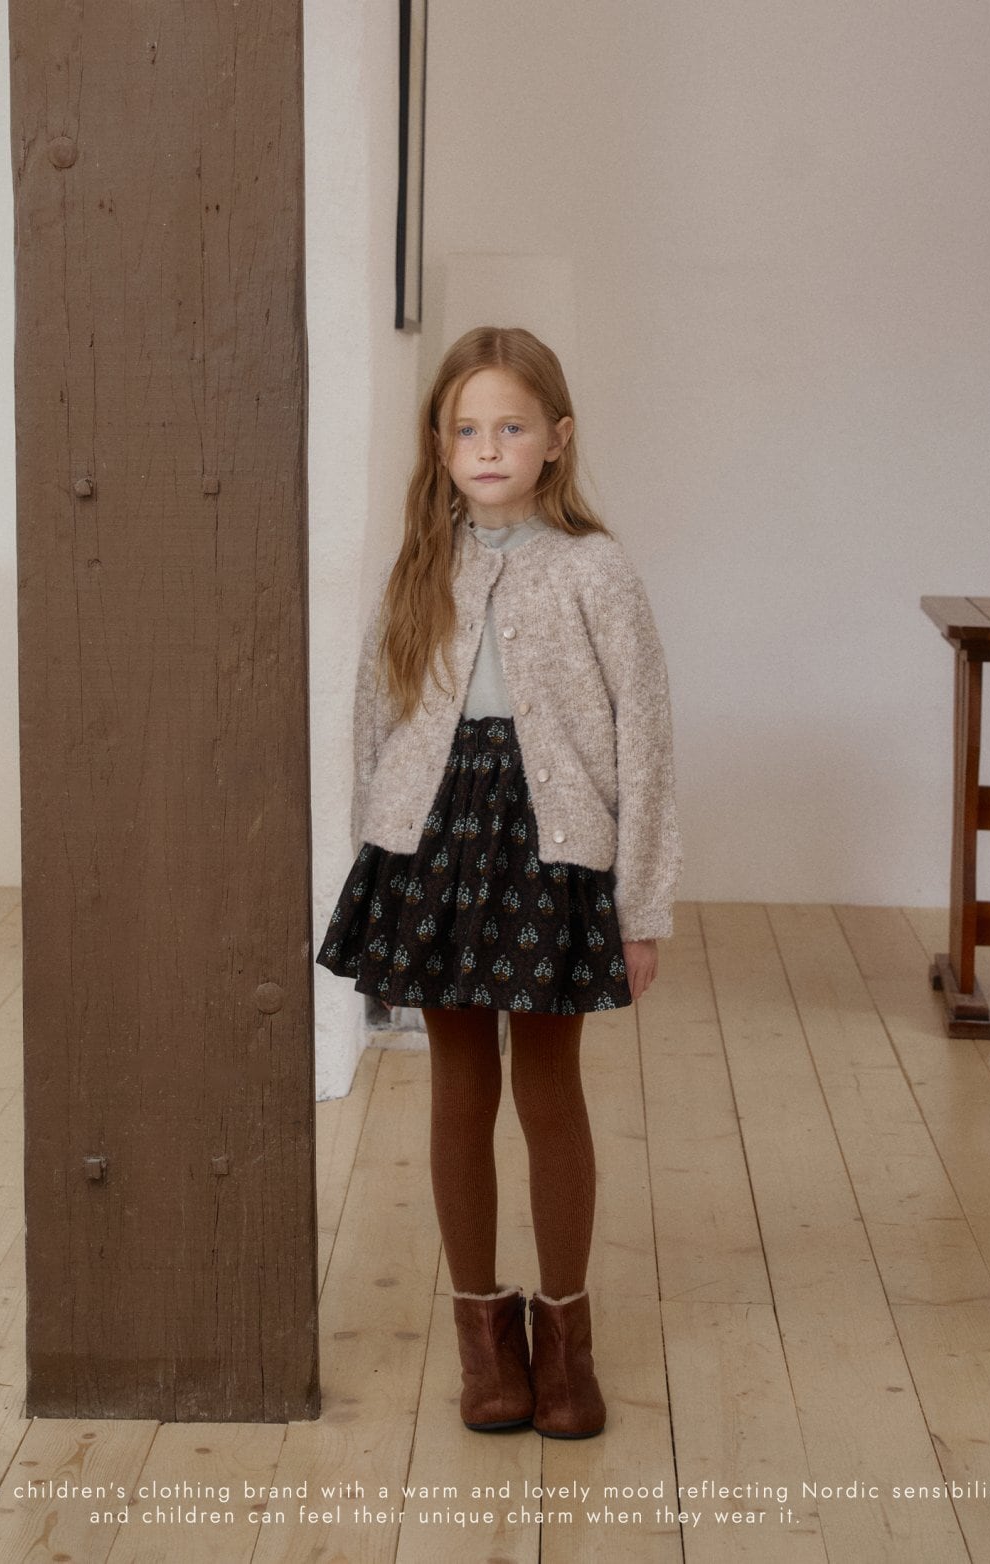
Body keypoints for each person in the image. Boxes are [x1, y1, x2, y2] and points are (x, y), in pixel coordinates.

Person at [315, 325, 681, 1439]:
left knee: (549, 1086)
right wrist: (376, 859)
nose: (487, 447)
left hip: (552, 851)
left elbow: (645, 743)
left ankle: (565, 1337)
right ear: (439, 444)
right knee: (459, 1082)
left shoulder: (595, 570)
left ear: (556, 440)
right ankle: (483, 1337)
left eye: (510, 427)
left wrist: (640, 906)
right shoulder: (418, 569)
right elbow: (375, 723)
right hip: (433, 844)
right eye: (466, 429)